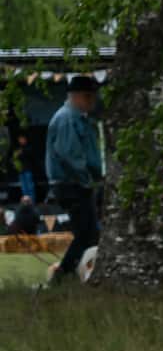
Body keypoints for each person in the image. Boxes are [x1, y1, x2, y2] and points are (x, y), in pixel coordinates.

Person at [45, 74, 104, 283]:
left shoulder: (78, 118)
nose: (94, 102)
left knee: (89, 232)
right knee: (86, 233)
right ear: (80, 96)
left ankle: (79, 272)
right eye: (91, 97)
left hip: (79, 182)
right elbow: (71, 156)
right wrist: (90, 179)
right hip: (72, 184)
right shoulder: (67, 119)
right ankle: (64, 273)